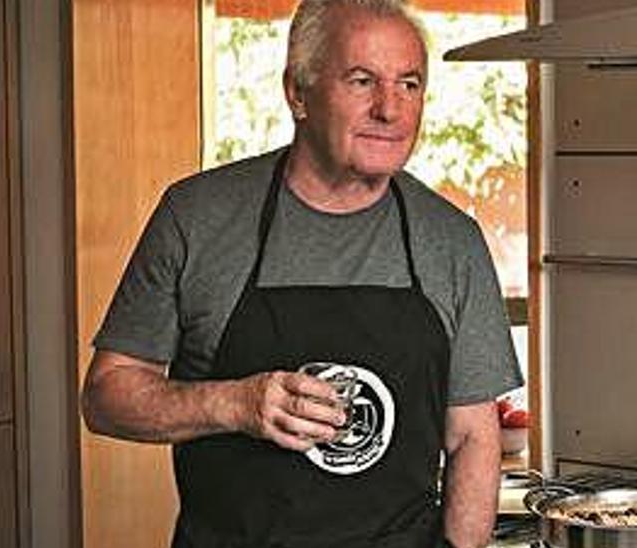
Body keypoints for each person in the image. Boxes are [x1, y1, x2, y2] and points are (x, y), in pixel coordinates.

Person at [79, 0, 523, 546]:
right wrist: (234, 404)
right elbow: (106, 396)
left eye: (409, 84)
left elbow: (473, 437)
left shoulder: (451, 240)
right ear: (297, 92)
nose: (391, 109)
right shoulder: (198, 216)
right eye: (362, 81)